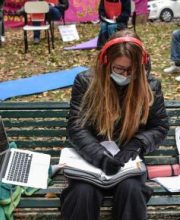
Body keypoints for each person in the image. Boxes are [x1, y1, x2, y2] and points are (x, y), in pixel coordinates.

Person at [62, 29, 169, 220]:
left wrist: (137, 144)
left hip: (128, 164)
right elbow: (76, 126)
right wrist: (100, 157)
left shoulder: (150, 85)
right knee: (82, 194)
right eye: (119, 68)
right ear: (106, 62)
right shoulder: (86, 81)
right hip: (91, 161)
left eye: (132, 70)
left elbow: (159, 126)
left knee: (132, 191)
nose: (126, 74)